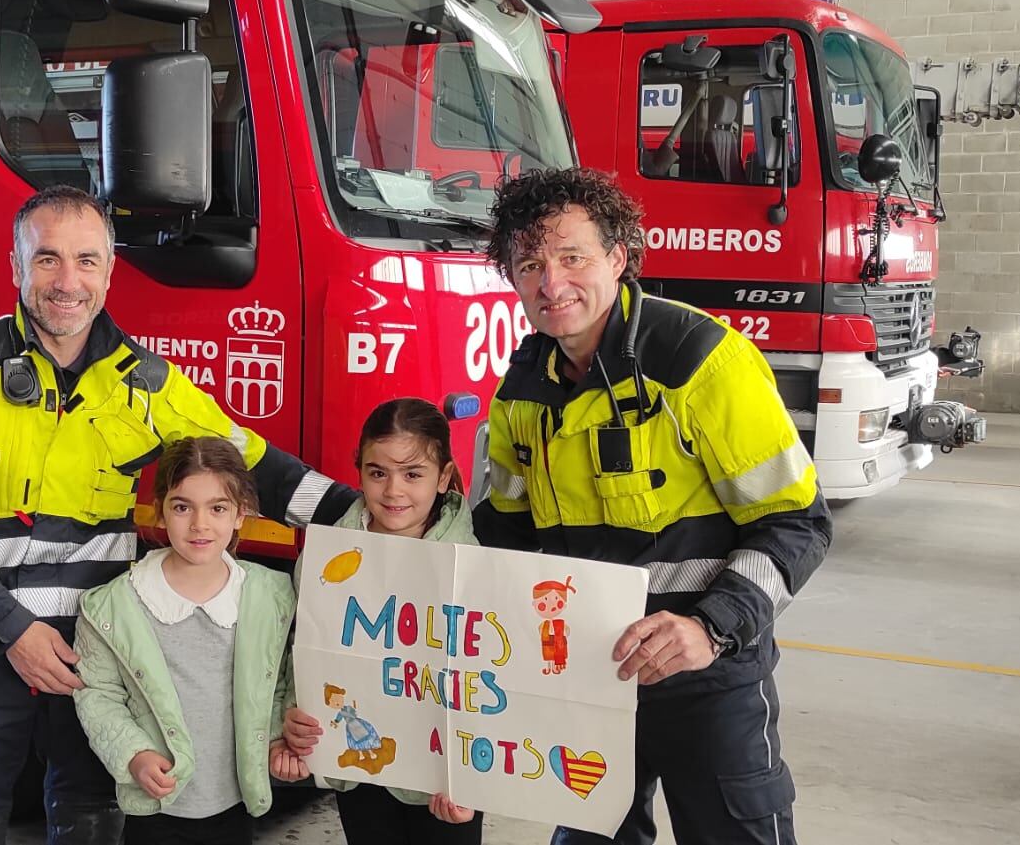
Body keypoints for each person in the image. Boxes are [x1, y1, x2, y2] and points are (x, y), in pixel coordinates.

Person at [0, 186, 358, 845]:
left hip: (99, 647)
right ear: (15, 266)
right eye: (47, 259)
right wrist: (12, 630)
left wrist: (371, 517)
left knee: (92, 816)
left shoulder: (143, 382)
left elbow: (251, 462)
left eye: (87, 261)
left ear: (109, 271)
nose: (67, 281)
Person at [470, 167, 833, 845]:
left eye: (572, 257)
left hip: (709, 677)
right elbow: (506, 538)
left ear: (617, 255)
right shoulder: (521, 390)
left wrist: (711, 629)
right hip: (588, 677)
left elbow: (796, 522)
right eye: (530, 264)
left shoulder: (703, 362)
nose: (552, 284)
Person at [70, 437, 308, 845]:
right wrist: (134, 754)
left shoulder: (271, 596)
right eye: (183, 507)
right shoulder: (113, 607)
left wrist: (277, 740)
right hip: (158, 808)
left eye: (218, 508)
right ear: (160, 510)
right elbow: (98, 693)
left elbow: (279, 683)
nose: (200, 524)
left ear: (241, 513)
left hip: (237, 802)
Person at [277, 398, 484, 845]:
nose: (393, 492)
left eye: (413, 474)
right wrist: (291, 711)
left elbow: (496, 684)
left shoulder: (478, 567)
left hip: (445, 780)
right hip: (358, 769)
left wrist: (480, 777)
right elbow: (303, 645)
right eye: (378, 473)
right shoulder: (325, 558)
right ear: (359, 471)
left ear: (444, 476)